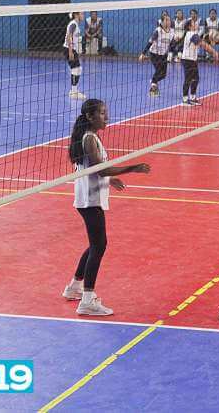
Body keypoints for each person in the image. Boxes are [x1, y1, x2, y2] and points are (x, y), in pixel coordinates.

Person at [63, 99, 151, 315]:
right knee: (99, 246)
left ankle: (74, 287)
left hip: (89, 198)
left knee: (96, 244)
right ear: (90, 116)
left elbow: (92, 169)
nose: (107, 117)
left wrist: (110, 180)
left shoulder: (90, 137)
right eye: (102, 113)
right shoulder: (89, 138)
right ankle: (87, 300)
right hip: (89, 200)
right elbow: (100, 169)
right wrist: (133, 168)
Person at [181, 18, 219, 106]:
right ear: (190, 26)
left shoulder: (194, 34)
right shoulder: (191, 34)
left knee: (196, 78)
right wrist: (214, 52)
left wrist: (210, 40)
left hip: (193, 59)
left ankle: (193, 97)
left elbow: (202, 42)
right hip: (187, 60)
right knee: (188, 79)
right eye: (193, 23)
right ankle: (185, 99)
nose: (196, 24)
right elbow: (203, 44)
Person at [139, 15, 176, 97]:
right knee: (158, 70)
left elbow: (172, 44)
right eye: (166, 20)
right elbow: (150, 42)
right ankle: (153, 87)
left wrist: (171, 53)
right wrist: (143, 53)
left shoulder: (172, 32)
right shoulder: (158, 31)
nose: (168, 22)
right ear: (162, 22)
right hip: (154, 54)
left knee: (163, 75)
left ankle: (153, 80)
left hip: (163, 55)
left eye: (169, 20)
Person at [65, 12, 86, 100]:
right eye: (82, 14)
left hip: (72, 49)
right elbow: (69, 36)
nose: (83, 15)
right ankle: (73, 93)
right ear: (76, 15)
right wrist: (70, 52)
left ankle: (74, 91)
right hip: (69, 49)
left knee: (78, 69)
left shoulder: (76, 24)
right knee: (76, 69)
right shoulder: (73, 24)